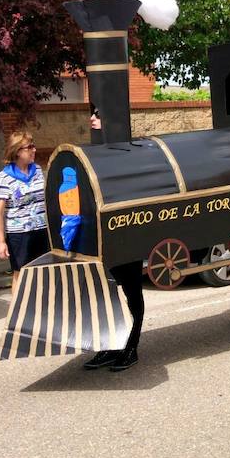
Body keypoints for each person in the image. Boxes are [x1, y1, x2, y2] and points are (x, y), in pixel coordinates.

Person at [83, 107, 144, 371]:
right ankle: (110, 345)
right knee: (106, 295)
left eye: (98, 114)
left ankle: (132, 346)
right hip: (100, 238)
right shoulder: (91, 154)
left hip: (126, 233)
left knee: (132, 291)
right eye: (92, 114)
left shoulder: (129, 152)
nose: (92, 119)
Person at [0, 131, 49, 296]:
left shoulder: (38, 170)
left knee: (41, 271)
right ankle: (16, 314)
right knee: (21, 273)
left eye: (34, 146)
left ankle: (40, 310)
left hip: (41, 229)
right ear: (18, 151)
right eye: (29, 147)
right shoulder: (4, 177)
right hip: (19, 234)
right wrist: (1, 242)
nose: (34, 150)